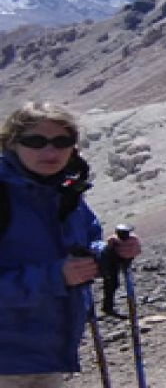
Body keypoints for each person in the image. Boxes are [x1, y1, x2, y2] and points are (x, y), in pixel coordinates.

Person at [0, 102, 142, 386]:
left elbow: (86, 246)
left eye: (61, 141)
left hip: (45, 356)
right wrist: (56, 276)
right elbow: (61, 271)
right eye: (35, 141)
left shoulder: (66, 194)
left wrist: (110, 254)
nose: (50, 152)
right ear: (11, 144)